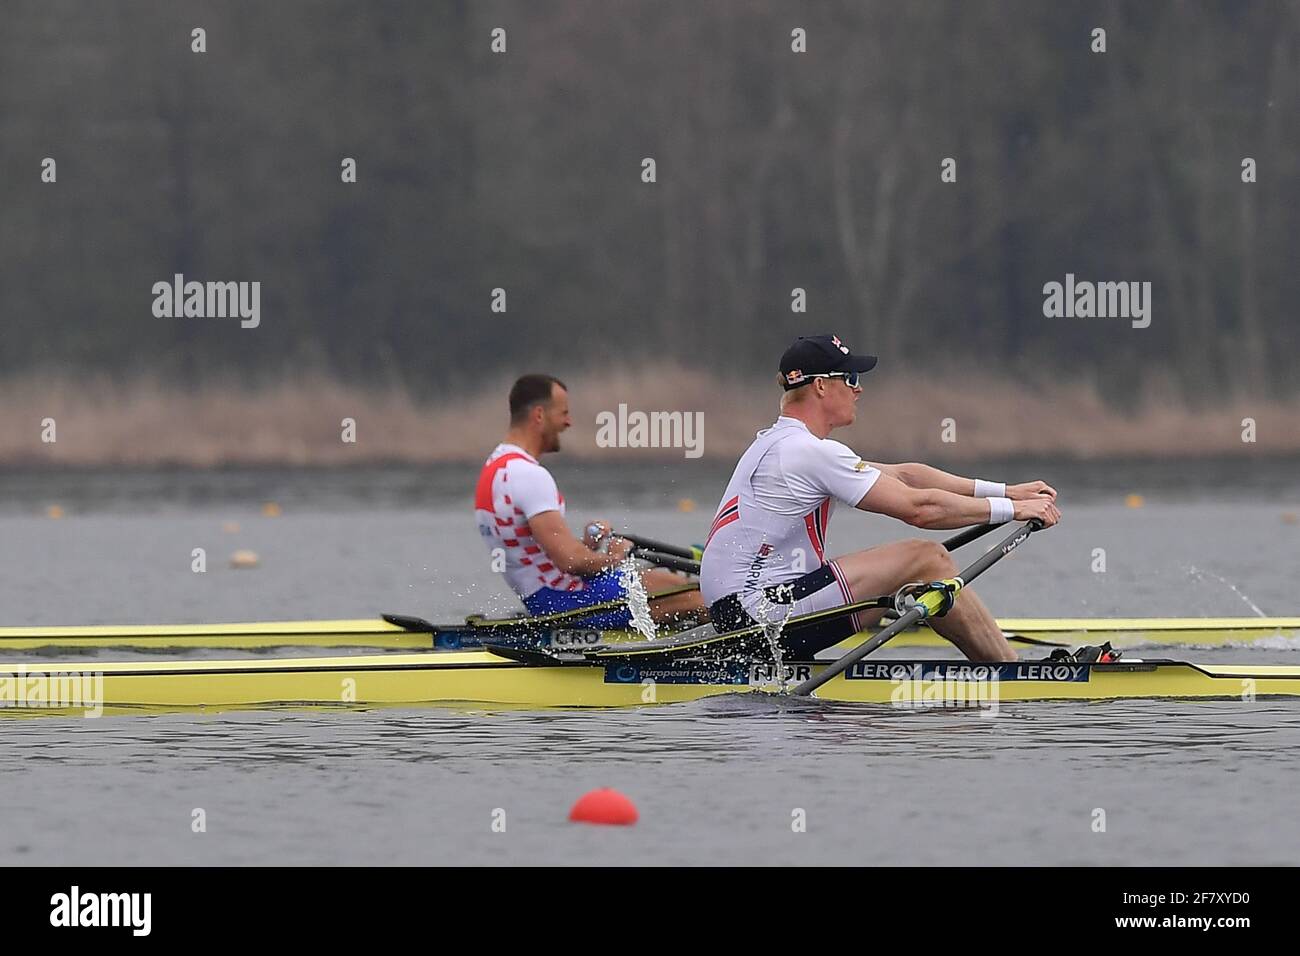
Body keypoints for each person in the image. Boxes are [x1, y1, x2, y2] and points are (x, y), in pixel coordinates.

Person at [699, 335, 1060, 661]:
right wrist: (1014, 511)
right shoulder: (806, 451)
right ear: (822, 386)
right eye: (851, 379)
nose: (859, 390)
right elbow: (921, 509)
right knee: (928, 558)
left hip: (744, 612)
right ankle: (1011, 670)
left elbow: (906, 476)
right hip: (757, 618)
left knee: (915, 567)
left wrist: (1006, 492)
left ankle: (997, 661)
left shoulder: (784, 443)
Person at [475, 374, 708, 628]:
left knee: (675, 586)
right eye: (563, 413)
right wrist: (617, 558)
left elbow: (534, 551)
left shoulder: (496, 467)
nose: (569, 422)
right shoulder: (529, 475)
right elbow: (571, 562)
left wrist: (585, 545)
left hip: (549, 596)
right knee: (697, 595)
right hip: (567, 600)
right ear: (539, 415)